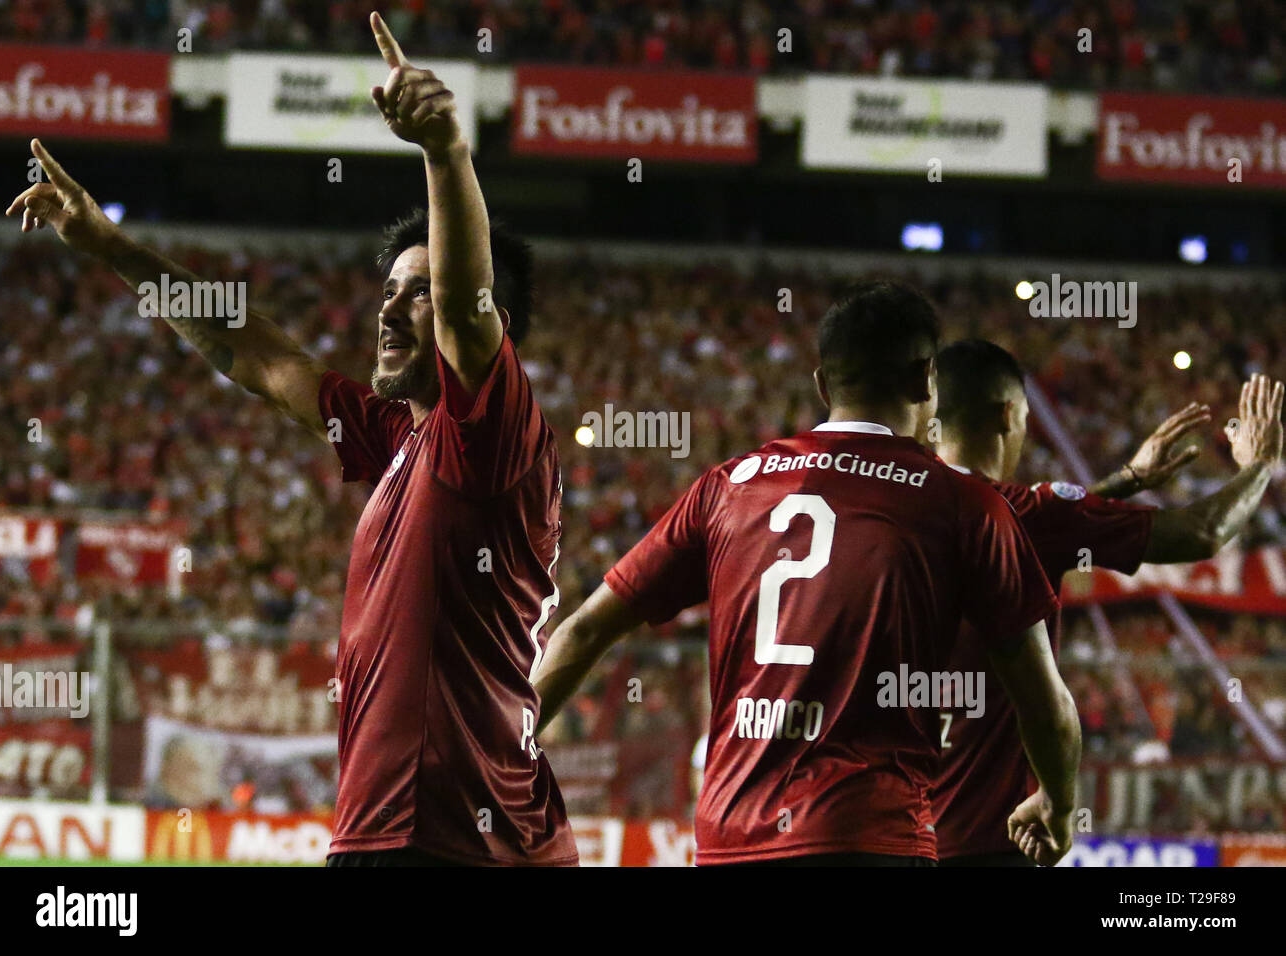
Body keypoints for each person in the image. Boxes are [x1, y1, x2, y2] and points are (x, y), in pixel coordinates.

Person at [5, 12, 576, 867]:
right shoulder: (398, 439)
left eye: (415, 292)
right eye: (386, 288)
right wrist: (110, 246)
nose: (389, 306)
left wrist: (445, 152)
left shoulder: (490, 432)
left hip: (439, 836)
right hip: (441, 830)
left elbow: (467, 308)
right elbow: (255, 354)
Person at [533, 280, 1080, 866]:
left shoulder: (729, 487)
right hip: (868, 836)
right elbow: (1045, 704)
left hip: (731, 841)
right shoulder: (964, 505)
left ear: (823, 385)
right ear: (928, 381)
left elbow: (586, 629)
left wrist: (504, 757)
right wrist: (1057, 802)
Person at [931, 339, 1284, 866]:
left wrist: (1128, 481)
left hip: (895, 836)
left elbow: (1036, 532)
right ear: (1009, 414)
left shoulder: (899, 509)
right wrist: (1259, 465)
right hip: (989, 838)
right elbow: (1202, 532)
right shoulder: (1021, 514)